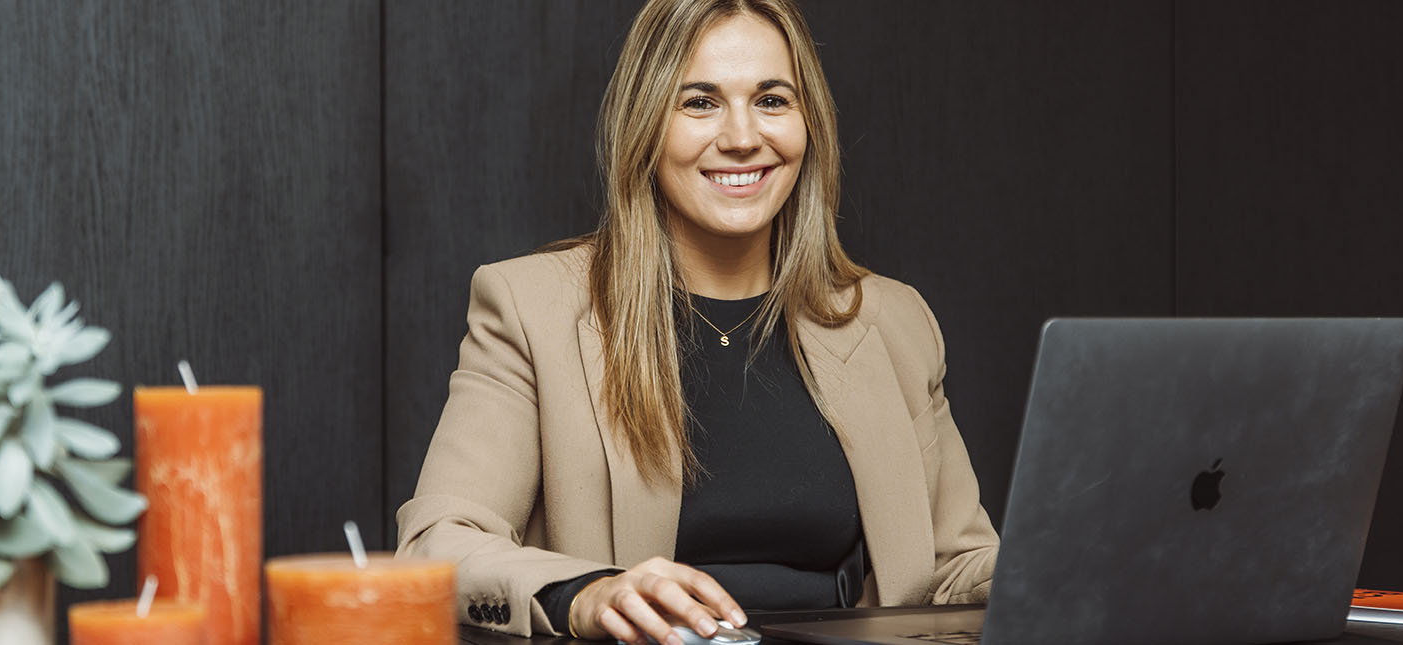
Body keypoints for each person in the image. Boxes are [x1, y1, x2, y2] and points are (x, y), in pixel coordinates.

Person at [395, 0, 999, 642]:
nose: (742, 137)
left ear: (809, 124)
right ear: (646, 123)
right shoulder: (529, 307)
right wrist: (590, 595)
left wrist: (1083, 549)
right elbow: (439, 547)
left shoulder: (892, 318)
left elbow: (956, 566)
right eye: (700, 102)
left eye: (772, 100)